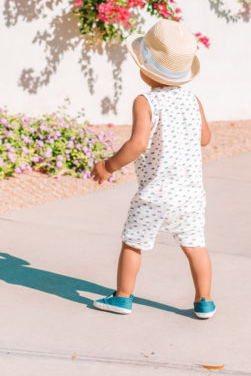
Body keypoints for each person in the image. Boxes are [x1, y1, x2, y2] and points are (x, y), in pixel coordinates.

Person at [90, 18, 215, 319]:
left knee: (133, 243)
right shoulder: (192, 99)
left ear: (145, 68)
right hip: (190, 195)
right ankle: (205, 302)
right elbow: (205, 138)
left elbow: (137, 144)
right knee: (195, 246)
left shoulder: (145, 101)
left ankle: (122, 298)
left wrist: (108, 166)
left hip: (155, 194)